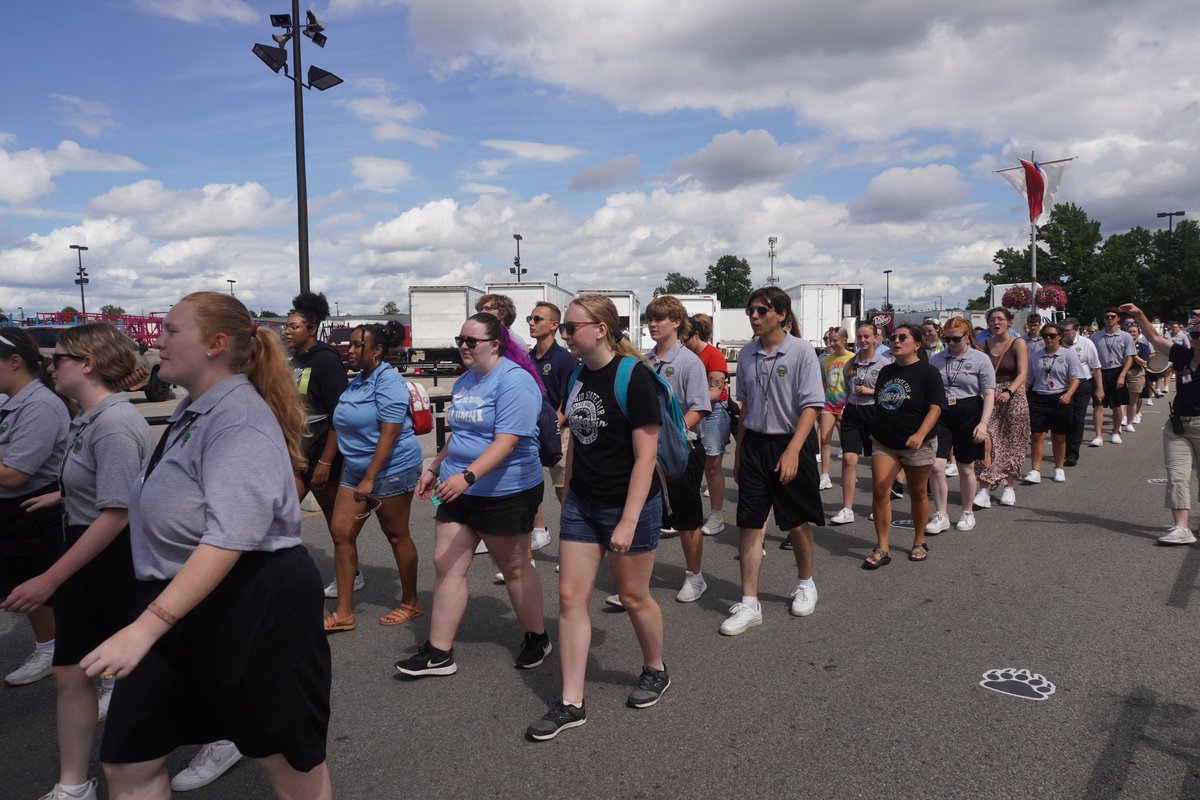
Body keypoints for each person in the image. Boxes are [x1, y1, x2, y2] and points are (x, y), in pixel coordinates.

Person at [80, 292, 333, 800]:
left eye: (173, 331)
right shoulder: (196, 408)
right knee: (128, 765)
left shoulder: (239, 418)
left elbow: (230, 535)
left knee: (290, 767)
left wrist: (143, 629)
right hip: (179, 605)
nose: (159, 340)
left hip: (251, 607)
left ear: (216, 344)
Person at [0, 325, 152, 800]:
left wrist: (50, 576)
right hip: (88, 551)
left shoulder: (114, 424)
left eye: (59, 358)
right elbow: (107, 483)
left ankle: (221, 736)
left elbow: (118, 514)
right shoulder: (89, 418)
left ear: (87, 364)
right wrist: (61, 496)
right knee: (71, 672)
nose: (49, 365)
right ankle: (73, 785)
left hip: (112, 560)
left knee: (142, 672)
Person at [525, 295, 667, 741]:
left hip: (629, 504)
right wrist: (569, 498)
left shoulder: (635, 377)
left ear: (601, 328)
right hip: (584, 504)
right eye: (564, 328)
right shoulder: (581, 373)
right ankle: (571, 701)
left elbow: (646, 458)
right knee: (570, 598)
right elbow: (578, 440)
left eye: (571, 327)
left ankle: (655, 668)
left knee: (633, 595)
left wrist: (626, 521)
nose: (565, 335)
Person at [398, 313, 550, 677]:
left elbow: (508, 440)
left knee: (513, 568)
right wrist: (435, 468)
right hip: (458, 487)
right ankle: (439, 653)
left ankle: (537, 637)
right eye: (460, 340)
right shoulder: (466, 381)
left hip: (505, 490)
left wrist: (468, 476)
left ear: (495, 344)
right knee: (447, 564)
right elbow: (460, 433)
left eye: (471, 341)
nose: (463, 347)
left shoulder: (515, 381)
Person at [722, 287, 824, 635]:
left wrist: (795, 450)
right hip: (755, 445)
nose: (754, 316)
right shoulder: (747, 353)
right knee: (749, 523)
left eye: (762, 310)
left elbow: (812, 406)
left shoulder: (802, 351)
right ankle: (749, 603)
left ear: (782, 314)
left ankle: (806, 582)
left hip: (789, 441)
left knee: (796, 522)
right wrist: (739, 451)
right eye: (751, 310)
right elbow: (745, 406)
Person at [324, 321, 423, 632]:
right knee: (341, 533)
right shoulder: (358, 381)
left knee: (396, 535)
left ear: (377, 350)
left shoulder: (388, 381)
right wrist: (330, 462)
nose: (349, 350)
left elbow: (390, 432)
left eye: (357, 345)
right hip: (355, 469)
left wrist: (370, 478)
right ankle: (343, 613)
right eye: (349, 345)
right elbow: (339, 423)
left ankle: (410, 602)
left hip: (391, 469)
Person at [0, 327, 68, 688]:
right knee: (23, 587)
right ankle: (48, 647)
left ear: (14, 362)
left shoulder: (40, 405)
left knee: (47, 590)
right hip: (14, 512)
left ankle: (59, 653)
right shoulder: (8, 400)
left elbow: (14, 475)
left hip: (36, 509)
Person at [641, 296, 710, 604]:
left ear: (676, 323)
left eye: (659, 319)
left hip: (682, 450)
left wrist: (674, 432)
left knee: (687, 515)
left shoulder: (688, 362)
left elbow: (700, 407)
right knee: (646, 513)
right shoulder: (645, 360)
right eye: (650, 318)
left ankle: (695, 577)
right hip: (648, 451)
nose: (652, 324)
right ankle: (636, 580)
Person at [863, 324, 947, 568]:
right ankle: (882, 547)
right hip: (884, 442)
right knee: (880, 491)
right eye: (893, 337)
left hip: (917, 443)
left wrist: (920, 434)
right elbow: (881, 403)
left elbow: (936, 407)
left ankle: (919, 540)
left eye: (903, 337)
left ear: (917, 344)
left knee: (918, 492)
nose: (896, 341)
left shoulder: (927, 372)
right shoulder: (886, 372)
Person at [284, 292, 350, 597]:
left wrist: (326, 461)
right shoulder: (293, 359)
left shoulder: (326, 360)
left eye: (293, 326)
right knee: (280, 512)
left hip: (323, 454)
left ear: (311, 329)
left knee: (336, 524)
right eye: (286, 326)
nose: (287, 330)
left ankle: (351, 576)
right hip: (299, 453)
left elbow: (340, 413)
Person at [1120, 304, 1200, 544]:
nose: (1195, 337)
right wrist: (1138, 314)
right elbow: (1154, 338)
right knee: (1177, 476)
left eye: (1198, 334)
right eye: (1193, 333)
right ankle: (1181, 528)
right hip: (1178, 427)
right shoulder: (1182, 355)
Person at [928, 318, 995, 532]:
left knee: (965, 467)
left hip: (969, 410)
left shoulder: (980, 359)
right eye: (946, 339)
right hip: (942, 413)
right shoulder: (936, 359)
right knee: (936, 465)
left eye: (956, 339)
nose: (951, 343)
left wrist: (983, 424)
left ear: (967, 336)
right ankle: (941, 513)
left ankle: (967, 511)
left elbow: (988, 393)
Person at [830, 323, 892, 525]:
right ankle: (847, 508)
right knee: (849, 459)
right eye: (859, 337)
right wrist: (842, 408)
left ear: (876, 338)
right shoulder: (851, 363)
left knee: (877, 463)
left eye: (867, 336)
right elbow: (847, 391)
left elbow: (891, 394)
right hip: (853, 413)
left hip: (875, 412)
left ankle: (879, 504)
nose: (863, 340)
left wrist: (871, 392)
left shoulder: (884, 364)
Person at [527, 302, 575, 552]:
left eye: (538, 318)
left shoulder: (564, 359)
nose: (531, 323)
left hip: (559, 433)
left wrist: (554, 424)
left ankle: (570, 544)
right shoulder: (527, 358)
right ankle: (538, 531)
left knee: (562, 492)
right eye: (530, 318)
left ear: (554, 325)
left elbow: (569, 399)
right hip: (530, 433)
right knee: (529, 486)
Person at [975, 308, 1030, 508]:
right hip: (989, 396)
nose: (996, 323)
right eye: (992, 320)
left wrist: (1009, 391)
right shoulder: (982, 346)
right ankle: (983, 487)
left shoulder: (1018, 343)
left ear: (1009, 322)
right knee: (984, 440)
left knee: (1010, 441)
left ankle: (1008, 486)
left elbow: (1023, 372)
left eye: (1000, 319)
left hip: (1013, 396)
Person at [683, 313, 731, 536]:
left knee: (712, 466)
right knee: (686, 465)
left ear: (695, 334)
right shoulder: (683, 355)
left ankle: (716, 515)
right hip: (689, 413)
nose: (681, 342)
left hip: (712, 414)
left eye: (684, 337)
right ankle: (683, 514)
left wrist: (689, 395)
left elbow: (716, 391)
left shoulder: (713, 355)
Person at [1022, 324, 1087, 485]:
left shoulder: (1068, 355)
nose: (1048, 339)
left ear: (1059, 336)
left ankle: (1059, 468)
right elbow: (1028, 380)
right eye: (1045, 336)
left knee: (1059, 436)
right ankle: (1035, 470)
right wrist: (1020, 395)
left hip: (1061, 397)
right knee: (1037, 435)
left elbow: (1076, 377)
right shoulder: (1035, 356)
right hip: (1039, 397)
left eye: (1052, 335)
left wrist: (1069, 394)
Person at [1061, 318, 1102, 467]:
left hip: (1083, 385)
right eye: (1062, 330)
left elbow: (1096, 367)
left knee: (1077, 419)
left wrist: (1099, 388)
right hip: (1062, 386)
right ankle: (1062, 449)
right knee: (1065, 419)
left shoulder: (1086, 343)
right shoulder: (1056, 343)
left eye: (1067, 330)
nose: (1063, 334)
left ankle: (1072, 454)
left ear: (1076, 329)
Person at [1091, 308, 1135, 445]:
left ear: (1118, 318)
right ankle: (1098, 436)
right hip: (1100, 371)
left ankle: (1116, 432)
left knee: (1116, 405)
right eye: (1107, 316)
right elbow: (1091, 357)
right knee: (1098, 404)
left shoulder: (1125, 336)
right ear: (1104, 319)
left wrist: (1122, 375)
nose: (1110, 318)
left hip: (1117, 371)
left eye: (1113, 316)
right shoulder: (1096, 336)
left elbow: (1130, 357)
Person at [818, 328, 853, 491]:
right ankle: (824, 476)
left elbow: (853, 384)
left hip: (846, 404)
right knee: (824, 439)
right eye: (829, 340)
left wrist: (847, 404)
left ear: (844, 340)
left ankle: (850, 472)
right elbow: (824, 382)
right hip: (829, 403)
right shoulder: (826, 360)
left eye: (835, 340)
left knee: (847, 442)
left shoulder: (852, 358)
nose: (831, 343)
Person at [1125, 321, 1149, 427]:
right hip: (1122, 371)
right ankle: (1123, 417)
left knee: (1134, 398)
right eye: (1129, 331)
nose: (1132, 333)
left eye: (1134, 331)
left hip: (1136, 372)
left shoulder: (1143, 346)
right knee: (1121, 397)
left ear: (1139, 333)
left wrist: (1133, 353)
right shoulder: (1122, 344)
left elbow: (1144, 362)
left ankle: (1133, 418)